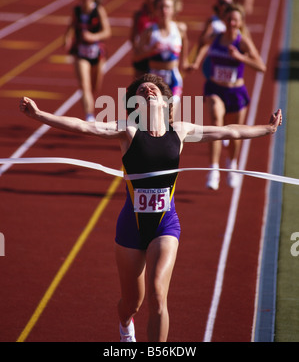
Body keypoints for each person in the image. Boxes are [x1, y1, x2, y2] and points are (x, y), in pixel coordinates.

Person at [19, 73, 282, 342]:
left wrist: (267, 129)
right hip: (131, 227)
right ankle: (124, 324)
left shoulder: (180, 130)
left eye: (153, 88)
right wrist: (40, 115)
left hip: (165, 225)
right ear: (135, 104)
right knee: (132, 303)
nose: (148, 90)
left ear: (166, 101)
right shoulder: (128, 131)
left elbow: (229, 131)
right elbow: (85, 127)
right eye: (142, 90)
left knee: (158, 295)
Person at [192, 4, 266, 190]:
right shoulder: (216, 38)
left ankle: (232, 165)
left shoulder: (243, 42)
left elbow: (261, 67)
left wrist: (241, 58)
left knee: (234, 134)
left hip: (236, 93)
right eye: (229, 19)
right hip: (215, 88)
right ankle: (214, 169)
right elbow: (202, 45)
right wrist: (195, 62)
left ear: (240, 22)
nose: (232, 23)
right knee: (216, 123)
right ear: (223, 21)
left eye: (235, 20)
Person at [64, 0, 111, 121]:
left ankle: (89, 104)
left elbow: (107, 32)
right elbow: (71, 26)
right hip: (80, 52)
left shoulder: (99, 10)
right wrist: (66, 38)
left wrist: (92, 36)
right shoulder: (76, 10)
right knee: (84, 86)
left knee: (94, 87)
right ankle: (89, 115)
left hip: (96, 52)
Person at [134, 0, 189, 114]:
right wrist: (150, 51)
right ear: (155, 10)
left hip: (173, 78)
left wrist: (184, 62)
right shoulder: (149, 31)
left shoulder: (179, 28)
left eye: (167, 7)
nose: (164, 11)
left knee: (170, 116)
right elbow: (136, 57)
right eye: (161, 7)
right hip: (153, 79)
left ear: (173, 10)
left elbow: (185, 44)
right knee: (153, 118)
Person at [130, 0, 161, 78]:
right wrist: (138, 49)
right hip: (143, 56)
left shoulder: (162, 15)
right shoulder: (139, 15)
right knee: (139, 86)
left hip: (157, 56)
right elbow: (133, 36)